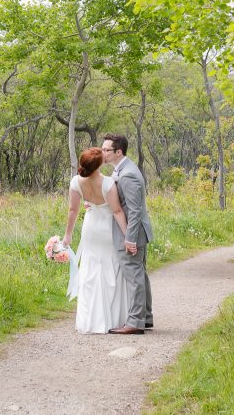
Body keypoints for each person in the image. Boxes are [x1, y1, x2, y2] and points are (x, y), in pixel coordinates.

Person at [63, 147, 130, 334]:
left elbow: (73, 210)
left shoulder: (76, 182)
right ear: (99, 164)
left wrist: (68, 235)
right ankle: (111, 319)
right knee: (110, 269)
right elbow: (117, 211)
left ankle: (89, 320)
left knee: (90, 270)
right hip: (107, 229)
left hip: (90, 228)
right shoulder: (108, 183)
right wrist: (127, 236)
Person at [101, 133, 153, 335]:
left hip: (134, 234)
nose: (103, 152)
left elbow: (134, 210)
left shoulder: (128, 174)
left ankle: (135, 322)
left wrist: (129, 238)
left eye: (106, 150)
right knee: (140, 275)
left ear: (118, 152)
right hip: (136, 232)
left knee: (134, 277)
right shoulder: (122, 169)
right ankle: (145, 317)